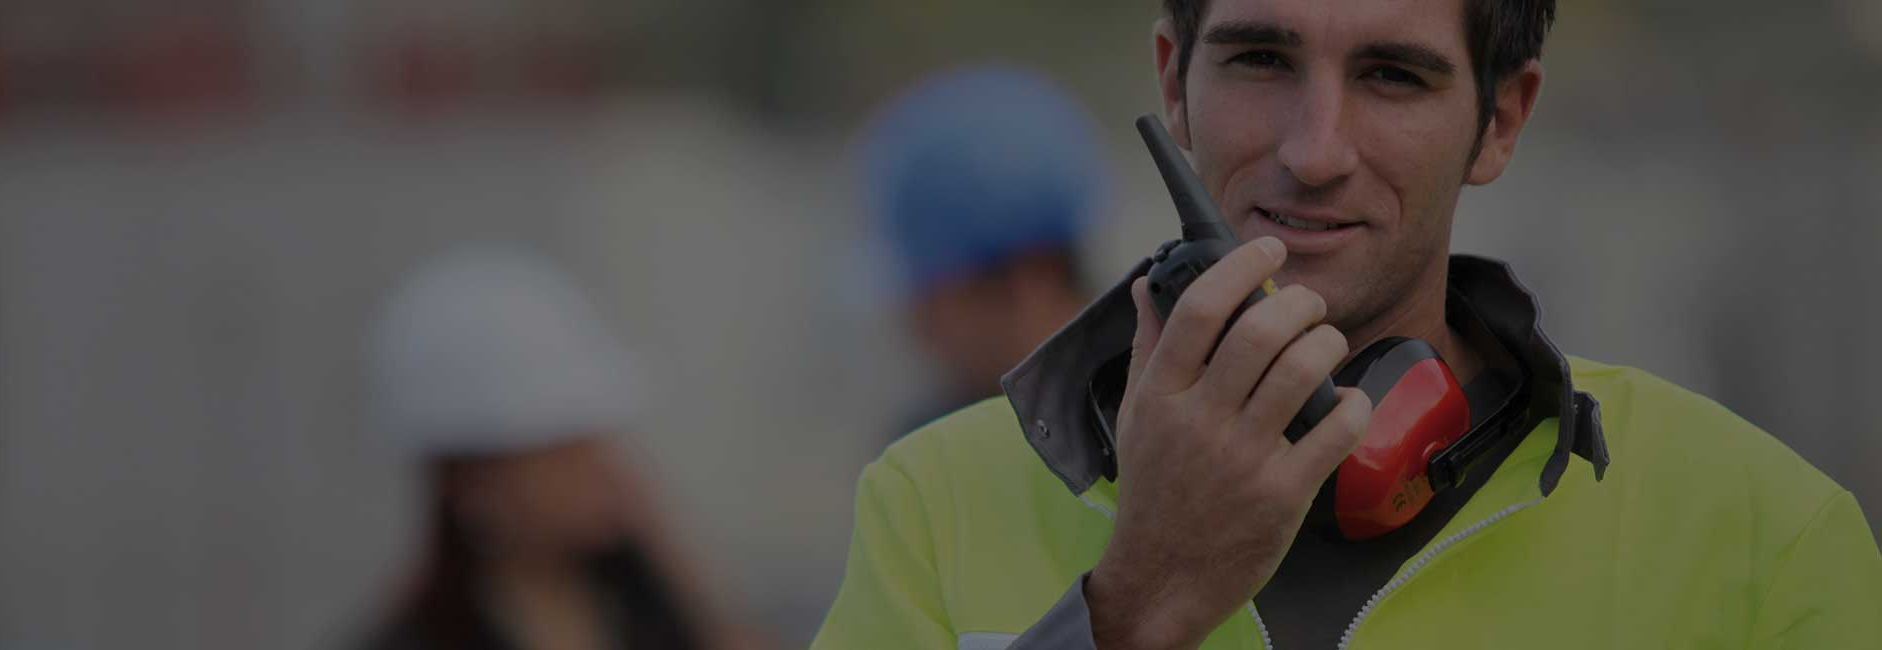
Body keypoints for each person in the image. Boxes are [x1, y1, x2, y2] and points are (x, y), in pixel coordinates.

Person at [814, 1, 1882, 649]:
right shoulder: (928, 506)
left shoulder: (1763, 531)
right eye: (1261, 60)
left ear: (1500, 118)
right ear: (1173, 85)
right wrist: (1134, 608)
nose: (1315, 149)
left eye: (1391, 75)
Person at [361, 244, 745, 650]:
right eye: (565, 452)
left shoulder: (647, 607)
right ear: (472, 481)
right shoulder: (420, 637)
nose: (606, 469)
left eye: (599, 442)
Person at [861, 66, 1108, 434]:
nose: (918, 330)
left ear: (1032, 282)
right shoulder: (936, 439)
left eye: (929, 298)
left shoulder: (1150, 436)